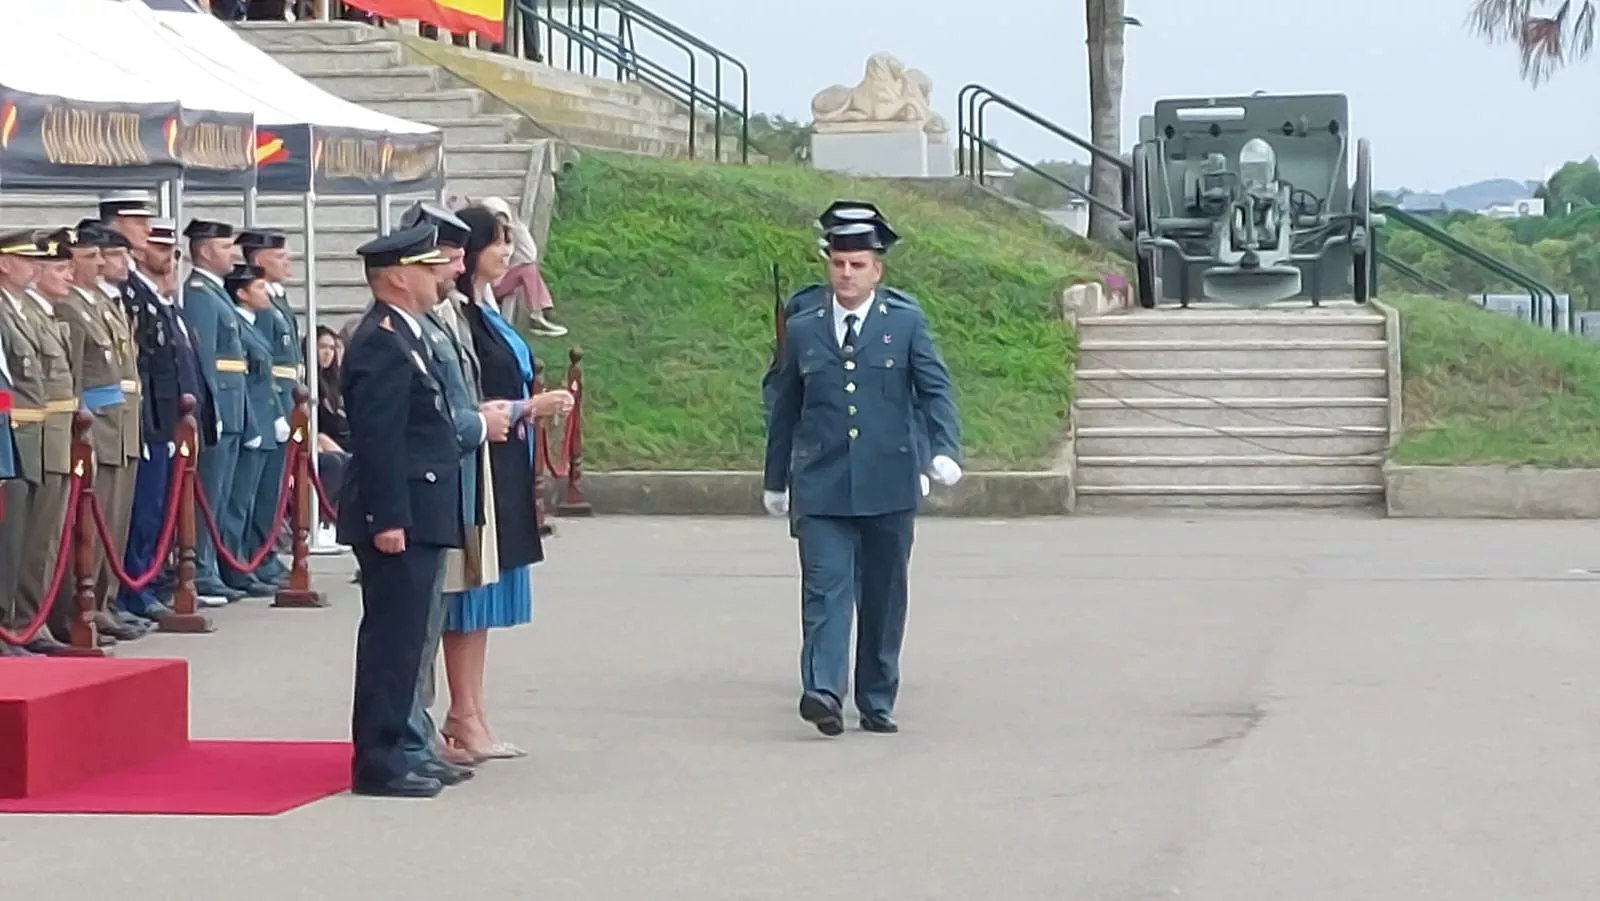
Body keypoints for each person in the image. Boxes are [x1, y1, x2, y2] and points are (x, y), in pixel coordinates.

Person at [762, 205, 964, 737]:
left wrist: (942, 447)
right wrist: (775, 478)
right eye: (838, 264)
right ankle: (823, 691)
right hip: (822, 484)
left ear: (877, 271)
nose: (846, 274)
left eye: (857, 265)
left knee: (883, 594)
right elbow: (785, 406)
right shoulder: (804, 329)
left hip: (888, 481)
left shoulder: (905, 323)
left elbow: (934, 388)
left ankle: (876, 696)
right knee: (825, 589)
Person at [339, 221, 472, 799]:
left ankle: (404, 746)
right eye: (425, 267)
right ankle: (382, 758)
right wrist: (388, 517)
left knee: (410, 635)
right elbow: (379, 439)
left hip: (423, 504)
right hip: (401, 512)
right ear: (397, 276)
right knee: (392, 641)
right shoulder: (380, 340)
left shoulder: (406, 334)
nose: (434, 277)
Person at [440, 205, 572, 761]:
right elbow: (467, 398)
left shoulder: (489, 307)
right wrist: (526, 407)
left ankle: (470, 710)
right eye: (495, 242)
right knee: (469, 594)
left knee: (486, 595)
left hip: (504, 457)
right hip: (479, 458)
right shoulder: (458, 314)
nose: (505, 251)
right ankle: (463, 712)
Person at [395, 200, 514, 778]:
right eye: (446, 257)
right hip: (424, 487)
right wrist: (477, 423)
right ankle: (410, 735)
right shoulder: (402, 330)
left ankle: (418, 733)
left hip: (453, 480)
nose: (455, 268)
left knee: (428, 615)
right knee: (415, 623)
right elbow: (427, 414)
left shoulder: (442, 319)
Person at [54, 225, 146, 642]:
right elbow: (75, 377)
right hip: (97, 425)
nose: (96, 264)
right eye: (89, 257)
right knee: (93, 523)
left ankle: (105, 601)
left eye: (97, 256)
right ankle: (82, 605)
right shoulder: (71, 306)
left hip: (121, 425)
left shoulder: (102, 303)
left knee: (114, 521)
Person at [0, 230, 68, 655]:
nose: (34, 266)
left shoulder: (22, 309)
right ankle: (11, 626)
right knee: (13, 540)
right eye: (26, 259)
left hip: (31, 436)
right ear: (4, 263)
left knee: (33, 540)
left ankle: (25, 623)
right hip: (17, 435)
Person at [20, 231, 87, 648]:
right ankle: (25, 621)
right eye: (59, 268)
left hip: (58, 438)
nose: (70, 275)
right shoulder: (18, 314)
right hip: (33, 437)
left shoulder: (42, 314)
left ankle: (38, 619)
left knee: (48, 538)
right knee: (30, 540)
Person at [182, 219, 253, 603]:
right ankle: (203, 569)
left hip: (234, 402)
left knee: (222, 493)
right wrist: (212, 408)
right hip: (218, 404)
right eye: (226, 248)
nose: (233, 255)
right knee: (207, 495)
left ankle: (216, 564)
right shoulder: (199, 295)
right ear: (206, 250)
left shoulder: (214, 293)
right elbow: (206, 356)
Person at [219, 263, 289, 597]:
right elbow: (244, 381)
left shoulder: (251, 327)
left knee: (252, 500)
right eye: (258, 288)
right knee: (237, 502)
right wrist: (252, 423)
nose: (266, 294)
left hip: (263, 416)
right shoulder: (238, 324)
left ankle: (248, 561)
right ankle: (235, 565)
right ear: (241, 293)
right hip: (249, 419)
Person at [236, 228, 299, 588]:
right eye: (279, 256)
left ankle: (265, 552)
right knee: (259, 490)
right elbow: (262, 363)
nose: (286, 261)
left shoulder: (277, 299)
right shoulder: (259, 305)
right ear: (258, 260)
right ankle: (254, 555)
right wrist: (275, 408)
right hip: (267, 402)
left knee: (273, 488)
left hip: (285, 399)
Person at [478, 196, 566, 337]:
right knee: (528, 269)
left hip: (498, 279)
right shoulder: (485, 237)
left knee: (529, 268)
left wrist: (515, 226)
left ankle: (541, 311)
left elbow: (529, 254)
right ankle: (538, 313)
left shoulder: (506, 237)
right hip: (487, 285)